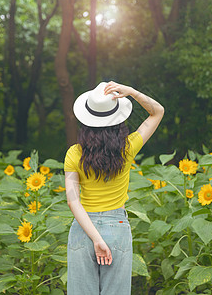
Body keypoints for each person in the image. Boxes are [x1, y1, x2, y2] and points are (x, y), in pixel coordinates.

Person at [64, 81, 164, 294]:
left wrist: (96, 239)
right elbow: (157, 112)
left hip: (83, 230)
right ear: (118, 120)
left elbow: (73, 201)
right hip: (117, 228)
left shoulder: (74, 153)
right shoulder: (127, 148)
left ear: (86, 121)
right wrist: (133, 92)